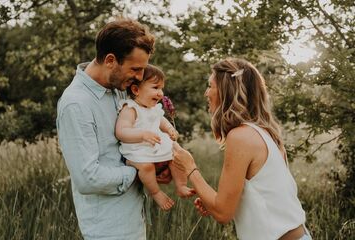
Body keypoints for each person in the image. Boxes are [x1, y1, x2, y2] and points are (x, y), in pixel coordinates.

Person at [173, 58, 312, 240]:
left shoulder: (241, 136)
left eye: (210, 86)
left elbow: (223, 213)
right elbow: (264, 195)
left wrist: (189, 167)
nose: (207, 93)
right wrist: (212, 201)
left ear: (226, 91)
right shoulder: (267, 133)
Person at [56, 19, 171, 240]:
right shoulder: (76, 104)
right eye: (135, 69)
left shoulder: (120, 89)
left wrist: (159, 163)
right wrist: (139, 172)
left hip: (133, 218)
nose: (139, 77)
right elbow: (88, 178)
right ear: (110, 60)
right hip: (108, 230)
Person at [115, 64, 194, 210]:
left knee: (175, 156)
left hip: (154, 146)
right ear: (136, 90)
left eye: (161, 88)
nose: (161, 93)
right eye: (156, 88)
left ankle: (181, 185)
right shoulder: (130, 108)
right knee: (147, 167)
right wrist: (142, 134)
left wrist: (170, 129)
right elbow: (121, 131)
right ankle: (156, 192)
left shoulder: (154, 108)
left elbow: (162, 121)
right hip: (137, 151)